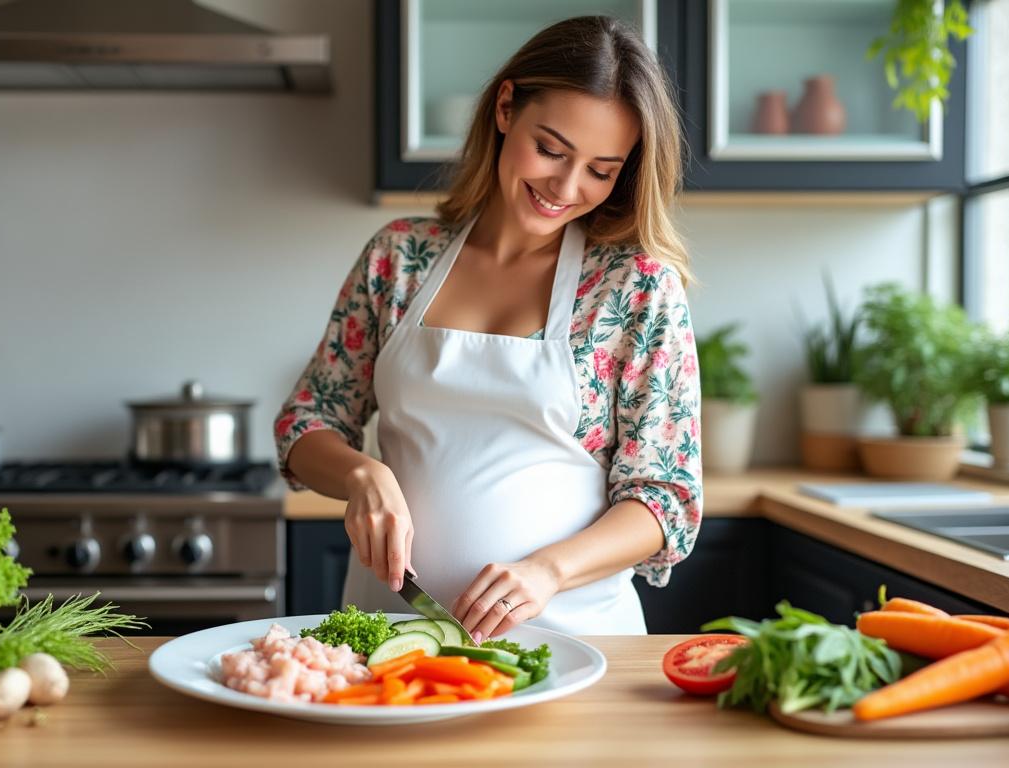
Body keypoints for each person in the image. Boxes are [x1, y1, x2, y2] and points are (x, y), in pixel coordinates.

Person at [274, 15, 701, 641]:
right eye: (551, 149)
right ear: (506, 107)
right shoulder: (399, 258)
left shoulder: (634, 287)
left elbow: (667, 499)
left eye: (601, 169)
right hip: (390, 634)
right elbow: (306, 421)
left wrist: (547, 572)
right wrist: (363, 474)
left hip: (572, 639)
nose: (565, 186)